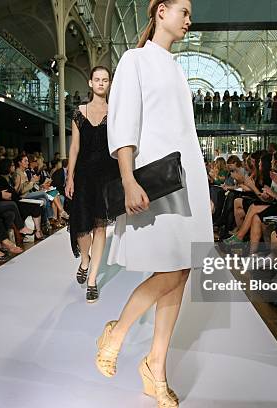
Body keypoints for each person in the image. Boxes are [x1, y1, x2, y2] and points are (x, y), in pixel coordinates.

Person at [95, 2, 212, 407]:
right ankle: (118, 331)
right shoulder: (135, 59)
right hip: (156, 180)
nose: (189, 19)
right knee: (171, 270)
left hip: (187, 178)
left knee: (180, 271)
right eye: (184, 10)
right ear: (161, 11)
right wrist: (127, 177)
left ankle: (155, 367)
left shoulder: (177, 68)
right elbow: (123, 120)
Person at [65, 65, 119, 303]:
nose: (100, 83)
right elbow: (75, 147)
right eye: (97, 79)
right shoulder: (79, 111)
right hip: (84, 175)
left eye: (105, 80)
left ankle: (92, 280)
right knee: (81, 227)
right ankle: (85, 260)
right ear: (90, 83)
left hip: (107, 175)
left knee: (100, 227)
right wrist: (69, 176)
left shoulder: (115, 111)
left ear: (109, 84)